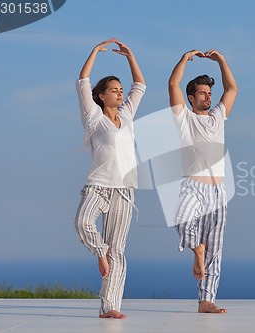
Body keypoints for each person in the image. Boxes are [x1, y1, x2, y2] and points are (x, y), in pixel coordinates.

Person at [74, 38, 146, 319]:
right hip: (98, 184)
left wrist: (131, 57)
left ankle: (110, 307)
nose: (119, 93)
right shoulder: (93, 118)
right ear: (101, 96)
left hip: (125, 189)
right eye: (113, 90)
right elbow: (82, 81)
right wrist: (93, 52)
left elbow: (139, 86)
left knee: (119, 250)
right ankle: (99, 251)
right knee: (82, 221)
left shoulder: (127, 115)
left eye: (120, 89)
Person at [168, 49, 237, 313]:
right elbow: (173, 84)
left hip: (219, 191)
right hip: (193, 186)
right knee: (182, 218)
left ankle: (206, 301)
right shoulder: (184, 118)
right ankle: (197, 250)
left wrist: (221, 60)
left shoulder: (218, 116)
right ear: (191, 98)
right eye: (202, 93)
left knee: (216, 248)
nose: (208, 96)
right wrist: (184, 58)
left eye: (209, 93)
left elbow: (231, 89)